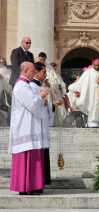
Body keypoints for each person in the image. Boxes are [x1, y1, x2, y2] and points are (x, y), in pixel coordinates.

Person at [9, 61, 51, 195]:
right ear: (26, 71)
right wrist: (40, 97)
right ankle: (27, 186)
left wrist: (39, 97)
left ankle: (32, 186)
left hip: (29, 126)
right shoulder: (21, 85)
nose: (34, 73)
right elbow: (32, 105)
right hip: (25, 127)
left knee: (32, 156)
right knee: (27, 156)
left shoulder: (25, 85)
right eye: (33, 71)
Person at [30, 62, 63, 187]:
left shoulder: (40, 86)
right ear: (36, 72)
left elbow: (42, 106)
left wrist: (52, 105)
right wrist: (41, 101)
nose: (46, 74)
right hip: (35, 127)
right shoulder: (31, 86)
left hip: (42, 126)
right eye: (44, 72)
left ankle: (42, 181)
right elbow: (32, 106)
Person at [75, 59, 99, 128]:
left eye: (98, 65)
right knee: (92, 105)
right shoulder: (88, 73)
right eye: (95, 65)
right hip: (91, 93)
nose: (97, 67)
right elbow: (81, 83)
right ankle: (92, 121)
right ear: (92, 65)